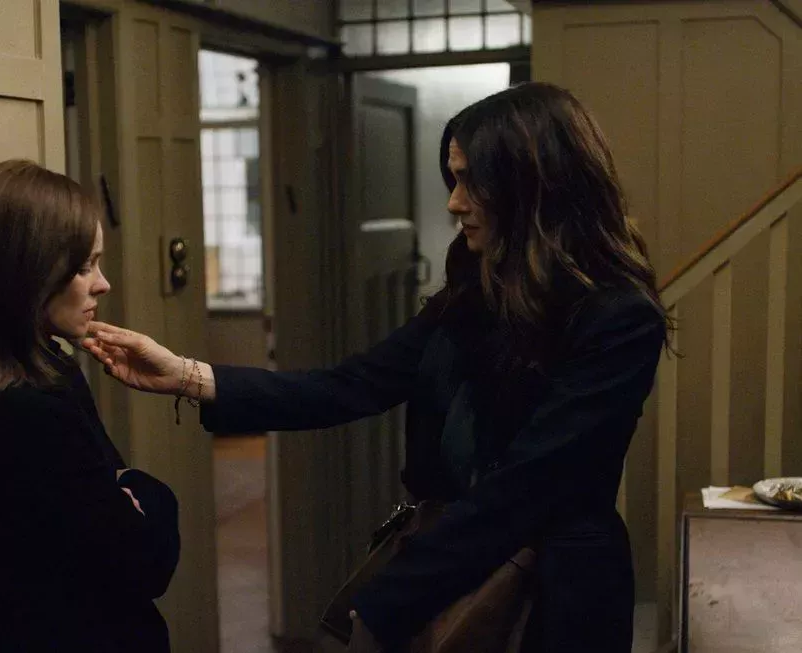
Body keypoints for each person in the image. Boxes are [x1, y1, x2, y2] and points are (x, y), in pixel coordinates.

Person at [83, 82, 669, 652]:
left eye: (472, 181)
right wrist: (187, 375)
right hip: (452, 573)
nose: (454, 202)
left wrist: (388, 603)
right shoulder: (474, 293)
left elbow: (527, 486)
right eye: (454, 179)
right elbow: (351, 385)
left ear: (532, 186)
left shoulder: (619, 317)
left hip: (556, 599)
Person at [0, 160, 180, 653]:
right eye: (84, 266)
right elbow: (146, 562)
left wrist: (121, 488)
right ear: (25, 272)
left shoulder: (45, 369)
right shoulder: (29, 414)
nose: (102, 284)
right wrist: (150, 490)